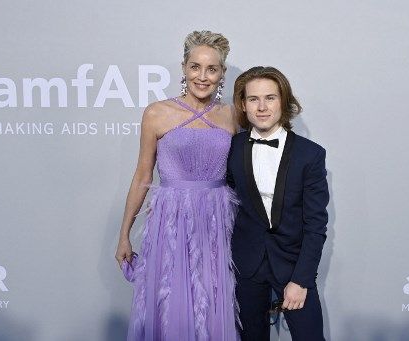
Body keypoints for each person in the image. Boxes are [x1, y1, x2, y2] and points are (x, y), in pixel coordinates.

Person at [115, 30, 239, 341]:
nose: (203, 76)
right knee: (170, 302)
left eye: (212, 69)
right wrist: (124, 235)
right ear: (183, 67)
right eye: (195, 66)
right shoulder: (157, 113)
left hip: (217, 223)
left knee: (213, 303)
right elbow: (143, 175)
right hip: (171, 221)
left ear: (222, 73)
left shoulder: (232, 117)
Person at [227, 66, 329, 340]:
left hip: (294, 266)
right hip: (247, 265)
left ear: (283, 101)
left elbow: (316, 224)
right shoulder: (231, 148)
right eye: (253, 99)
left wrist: (301, 279)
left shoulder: (311, 155)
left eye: (270, 98)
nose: (262, 107)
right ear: (243, 105)